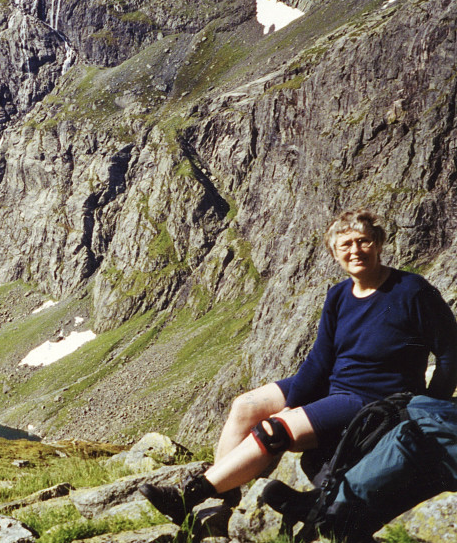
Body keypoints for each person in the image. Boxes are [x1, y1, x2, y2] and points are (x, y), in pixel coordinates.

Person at [139, 209, 457, 523]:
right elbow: (319, 359)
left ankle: (188, 497)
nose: (356, 251)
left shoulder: (411, 291)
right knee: (245, 406)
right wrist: (292, 404)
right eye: (345, 245)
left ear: (378, 243)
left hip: (372, 395)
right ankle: (226, 497)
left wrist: (427, 406)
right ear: (335, 253)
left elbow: (449, 353)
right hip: (336, 381)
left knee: (273, 432)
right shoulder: (338, 296)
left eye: (363, 241)